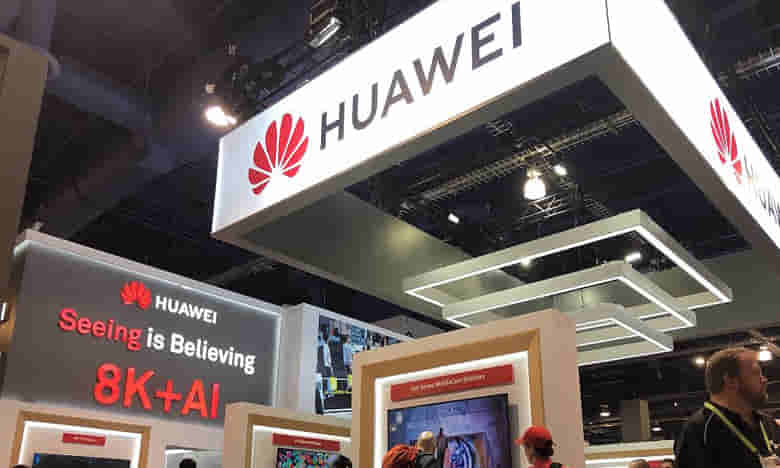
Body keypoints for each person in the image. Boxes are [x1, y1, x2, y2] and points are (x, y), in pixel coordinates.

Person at [675, 347, 779, 468]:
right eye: (756, 373)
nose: (764, 380)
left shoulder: (767, 422)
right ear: (730, 381)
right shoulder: (699, 431)